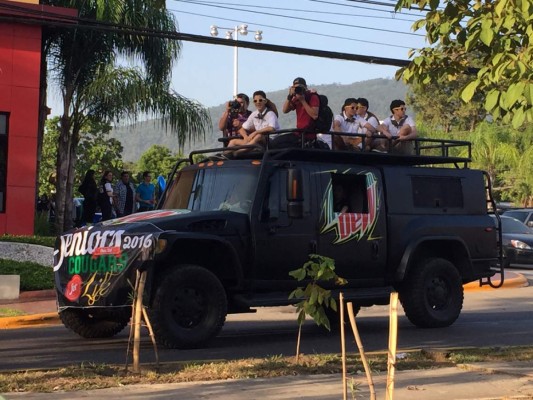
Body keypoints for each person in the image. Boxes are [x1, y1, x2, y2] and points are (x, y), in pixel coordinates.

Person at [273, 77, 320, 148]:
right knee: (275, 142)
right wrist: (290, 96)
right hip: (298, 133)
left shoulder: (312, 97)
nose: (298, 89)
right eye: (296, 87)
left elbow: (314, 115)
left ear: (305, 87)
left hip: (308, 134)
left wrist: (303, 101)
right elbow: (285, 110)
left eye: (300, 87)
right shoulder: (296, 98)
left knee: (277, 142)